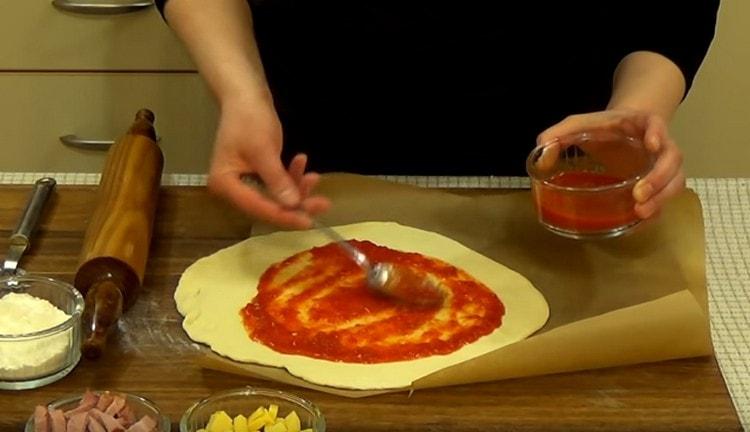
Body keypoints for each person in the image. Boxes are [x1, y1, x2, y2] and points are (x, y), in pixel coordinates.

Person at [155, 1, 719, 229]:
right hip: (319, 172)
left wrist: (633, 114)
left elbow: (671, 8)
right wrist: (241, 93)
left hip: (561, 176)